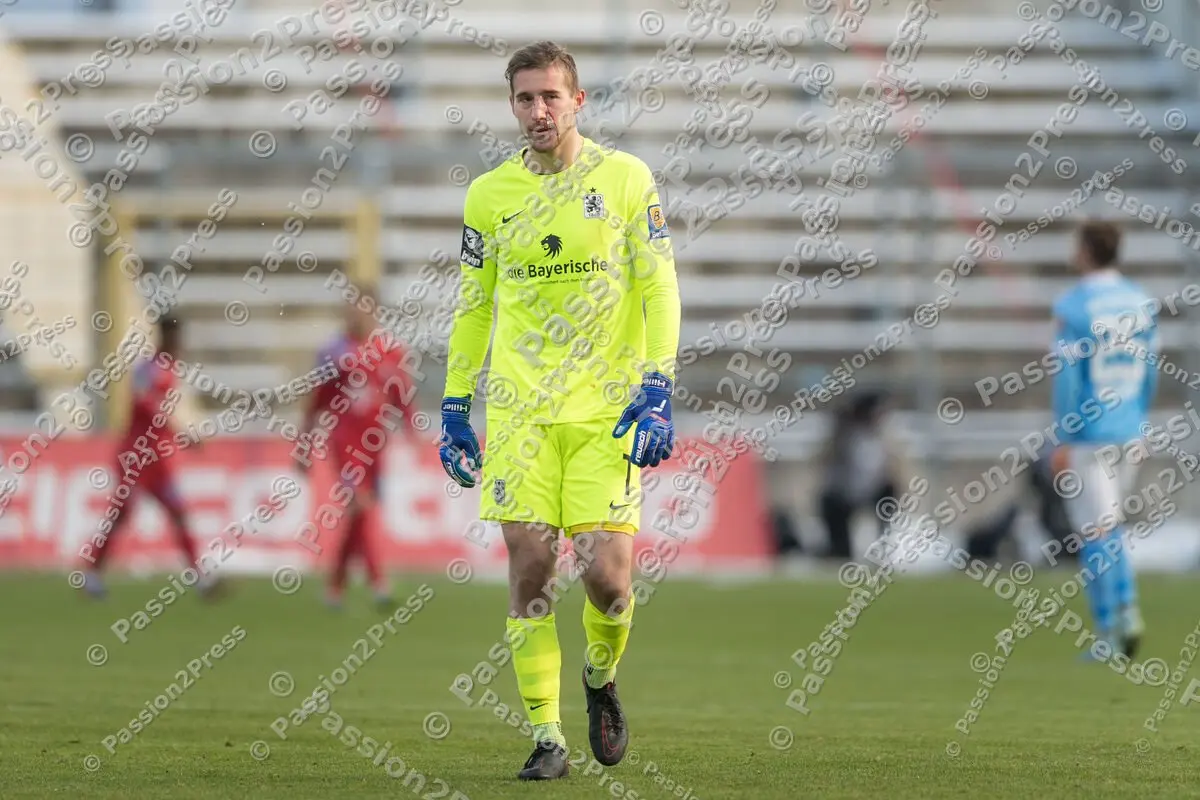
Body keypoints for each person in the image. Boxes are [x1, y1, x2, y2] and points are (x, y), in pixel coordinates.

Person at [438, 41, 680, 781]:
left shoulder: (627, 179)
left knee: (608, 581)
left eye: (550, 97)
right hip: (519, 415)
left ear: (579, 102)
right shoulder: (488, 196)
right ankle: (547, 736)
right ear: (511, 106)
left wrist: (658, 385)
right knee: (532, 569)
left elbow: (659, 288)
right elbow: (474, 306)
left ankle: (600, 681)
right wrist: (454, 404)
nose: (538, 111)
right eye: (524, 99)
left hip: (607, 413)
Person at [1049, 220, 1157, 659]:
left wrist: (1064, 436)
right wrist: (1142, 421)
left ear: (1085, 251)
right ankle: (1116, 622)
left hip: (1090, 432)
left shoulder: (1075, 306)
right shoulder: (1140, 302)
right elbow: (1149, 369)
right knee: (1109, 524)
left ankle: (1117, 619)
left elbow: (1068, 379)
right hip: (1129, 426)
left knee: (1097, 530)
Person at [299, 291, 419, 610]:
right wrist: (303, 442)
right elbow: (316, 400)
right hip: (344, 443)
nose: (357, 316)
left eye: (364, 309)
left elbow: (401, 393)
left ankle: (334, 587)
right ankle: (378, 582)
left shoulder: (390, 351)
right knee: (360, 506)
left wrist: (411, 430)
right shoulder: (334, 352)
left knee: (359, 513)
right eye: (352, 309)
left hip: (377, 445)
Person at [81, 316, 215, 598]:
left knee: (178, 513)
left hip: (158, 461)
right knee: (121, 514)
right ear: (165, 336)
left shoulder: (171, 368)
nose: (179, 343)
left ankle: (200, 577)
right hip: (134, 455)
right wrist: (181, 433)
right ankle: (91, 573)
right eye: (175, 336)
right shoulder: (147, 367)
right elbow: (143, 403)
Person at [816, 390, 909, 560]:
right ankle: (840, 549)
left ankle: (882, 547)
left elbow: (895, 466)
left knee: (889, 492)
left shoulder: (883, 435)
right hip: (844, 492)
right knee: (829, 502)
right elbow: (824, 459)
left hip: (874, 491)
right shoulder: (843, 435)